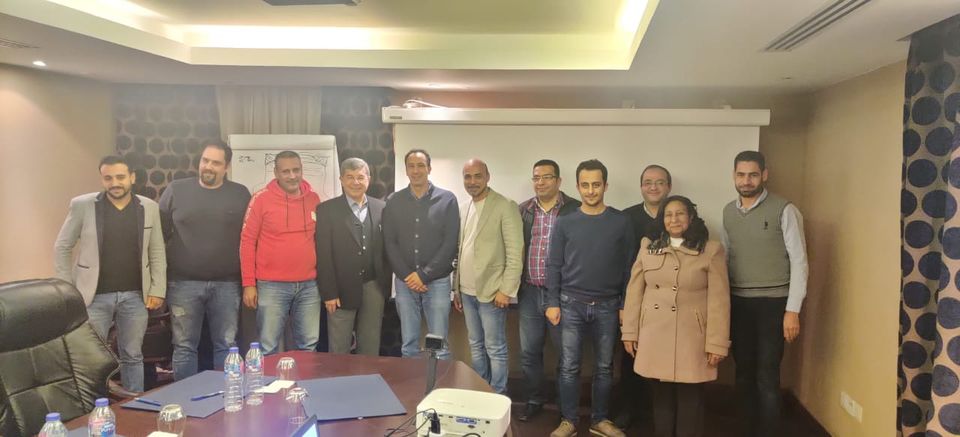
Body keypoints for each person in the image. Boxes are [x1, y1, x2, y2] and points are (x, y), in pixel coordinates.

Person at [54, 155, 166, 392]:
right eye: (108, 178)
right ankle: (95, 405)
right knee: (92, 358)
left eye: (120, 177)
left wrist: (157, 289)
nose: (115, 183)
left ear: (132, 177)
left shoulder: (149, 207)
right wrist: (67, 289)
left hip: (136, 296)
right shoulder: (83, 205)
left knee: (133, 354)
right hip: (93, 297)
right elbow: (62, 247)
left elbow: (156, 250)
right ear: (102, 179)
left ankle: (133, 403)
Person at [622, 195, 731, 437]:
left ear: (691, 217)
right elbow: (634, 292)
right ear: (662, 220)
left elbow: (719, 301)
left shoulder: (710, 250)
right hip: (654, 333)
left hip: (692, 337)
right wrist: (629, 332)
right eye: (668, 215)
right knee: (661, 399)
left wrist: (717, 343)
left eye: (680, 213)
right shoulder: (648, 247)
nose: (674, 219)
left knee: (690, 399)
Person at [722, 150, 808, 437]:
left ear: (764, 175)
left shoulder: (785, 210)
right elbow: (728, 257)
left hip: (773, 304)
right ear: (734, 176)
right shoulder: (728, 212)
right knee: (743, 373)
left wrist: (792, 311)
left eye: (753, 175)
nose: (746, 181)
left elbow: (799, 261)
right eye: (741, 175)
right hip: (739, 303)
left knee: (767, 375)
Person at [546, 159, 634, 437]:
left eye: (596, 184)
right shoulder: (565, 222)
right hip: (570, 304)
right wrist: (552, 302)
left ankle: (600, 419)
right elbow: (554, 264)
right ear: (577, 187)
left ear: (606, 186)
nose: (591, 190)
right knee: (569, 366)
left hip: (609, 305)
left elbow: (629, 268)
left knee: (605, 367)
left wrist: (625, 304)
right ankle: (569, 421)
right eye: (585, 185)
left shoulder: (621, 222)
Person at [159, 142, 250, 379]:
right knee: (184, 346)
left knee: (226, 345)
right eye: (205, 160)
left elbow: (249, 238)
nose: (208, 167)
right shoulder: (176, 190)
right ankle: (184, 397)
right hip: (183, 284)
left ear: (226, 167)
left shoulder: (240, 194)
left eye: (216, 163)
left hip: (228, 284)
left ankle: (225, 394)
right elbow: (159, 236)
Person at [240, 151, 322, 355]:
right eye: (286, 171)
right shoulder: (261, 199)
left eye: (296, 170)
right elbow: (247, 242)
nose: (292, 176)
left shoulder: (314, 198)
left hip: (309, 285)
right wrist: (249, 283)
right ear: (276, 173)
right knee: (268, 347)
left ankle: (304, 378)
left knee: (308, 346)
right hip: (271, 285)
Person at [516, 159, 580, 421]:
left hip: (563, 294)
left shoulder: (574, 209)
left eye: (546, 177)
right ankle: (534, 400)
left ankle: (566, 408)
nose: (540, 182)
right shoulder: (523, 210)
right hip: (530, 292)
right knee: (529, 352)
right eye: (536, 178)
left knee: (566, 354)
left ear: (559, 181)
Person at [452, 159, 523, 395]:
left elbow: (515, 252)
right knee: (475, 345)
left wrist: (506, 290)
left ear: (487, 177)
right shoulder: (464, 207)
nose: (472, 181)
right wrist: (457, 288)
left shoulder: (505, 206)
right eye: (467, 176)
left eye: (477, 176)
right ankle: (480, 392)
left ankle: (498, 395)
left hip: (493, 293)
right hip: (467, 292)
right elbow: (460, 250)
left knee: (495, 348)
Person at [383, 149, 459, 360]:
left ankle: (440, 382)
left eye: (420, 165)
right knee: (409, 345)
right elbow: (390, 242)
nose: (416, 171)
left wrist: (423, 275)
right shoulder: (394, 201)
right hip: (405, 283)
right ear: (406, 170)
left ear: (429, 168)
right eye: (411, 166)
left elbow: (450, 243)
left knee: (439, 345)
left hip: (438, 282)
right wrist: (408, 276)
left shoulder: (447, 199)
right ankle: (412, 382)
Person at [616, 163, 673, 428]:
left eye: (659, 182)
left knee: (663, 358)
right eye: (648, 182)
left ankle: (659, 416)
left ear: (669, 187)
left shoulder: (678, 216)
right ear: (641, 187)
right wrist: (622, 303)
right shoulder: (626, 217)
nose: (653, 187)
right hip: (634, 299)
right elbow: (620, 262)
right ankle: (628, 411)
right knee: (630, 356)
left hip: (668, 302)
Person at [315, 158, 390, 356]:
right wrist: (329, 293)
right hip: (340, 289)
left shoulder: (381, 208)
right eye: (350, 177)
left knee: (371, 343)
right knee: (339, 346)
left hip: (374, 286)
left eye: (360, 177)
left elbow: (387, 249)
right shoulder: (326, 210)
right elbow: (324, 255)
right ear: (341, 179)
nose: (355, 182)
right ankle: (340, 377)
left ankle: (367, 375)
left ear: (369, 179)